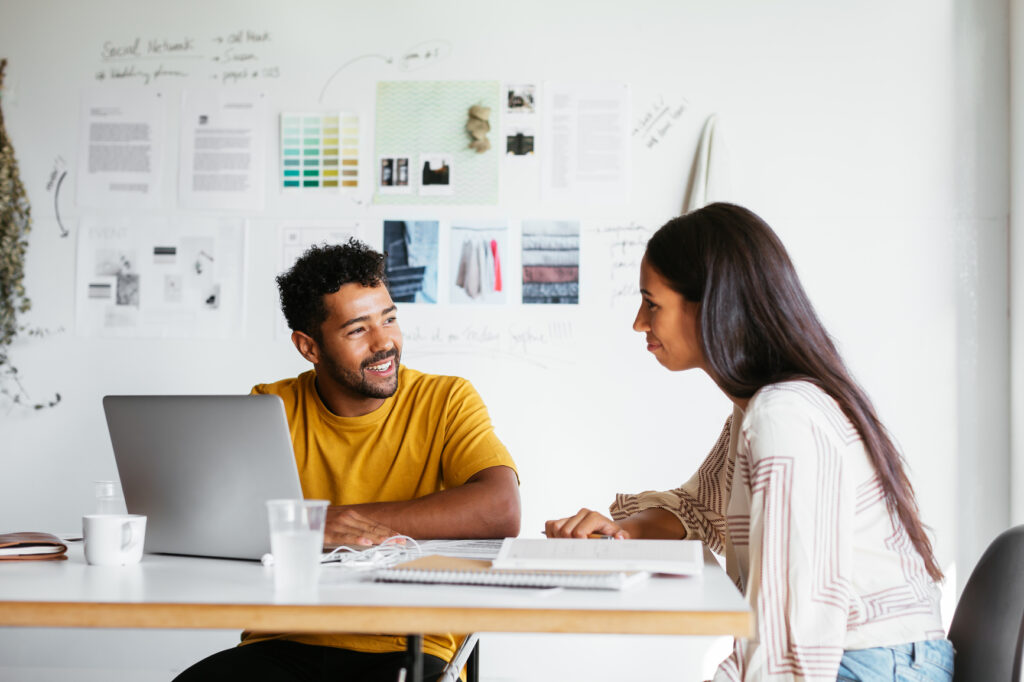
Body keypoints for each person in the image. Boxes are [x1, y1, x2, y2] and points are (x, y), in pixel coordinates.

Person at [545, 203, 952, 682]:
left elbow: (793, 641)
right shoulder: (761, 408)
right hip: (864, 657)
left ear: (710, 305)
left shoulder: (784, 418)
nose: (639, 322)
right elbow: (700, 509)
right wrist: (623, 532)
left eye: (652, 303)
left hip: (869, 662)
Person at [176, 239, 520, 682]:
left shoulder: (447, 399)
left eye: (390, 319)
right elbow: (217, 518)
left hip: (405, 643)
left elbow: (501, 509)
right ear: (309, 347)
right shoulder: (270, 405)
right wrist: (315, 525)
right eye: (358, 330)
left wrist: (330, 522)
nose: (385, 343)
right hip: (283, 638)